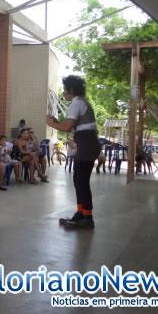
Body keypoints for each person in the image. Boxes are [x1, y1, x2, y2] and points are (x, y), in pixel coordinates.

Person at [47, 75, 101, 230]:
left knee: (82, 181)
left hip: (86, 143)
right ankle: (81, 213)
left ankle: (87, 218)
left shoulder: (76, 102)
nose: (64, 92)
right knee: (79, 180)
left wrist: (50, 123)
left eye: (65, 89)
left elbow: (66, 127)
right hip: (87, 142)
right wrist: (57, 123)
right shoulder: (82, 102)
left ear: (71, 89)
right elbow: (70, 125)